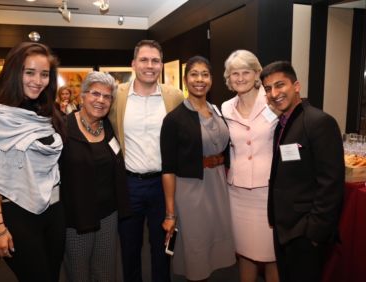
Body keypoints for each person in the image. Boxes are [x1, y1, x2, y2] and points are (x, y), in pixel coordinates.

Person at [0, 42, 66, 282]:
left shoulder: (45, 110)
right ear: (14, 72)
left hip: (54, 210)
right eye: (29, 72)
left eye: (44, 74)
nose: (38, 80)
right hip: (16, 214)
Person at [260, 61, 344, 282]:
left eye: (280, 85)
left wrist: (314, 234)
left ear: (296, 86)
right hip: (285, 228)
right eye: (268, 89)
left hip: (305, 233)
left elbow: (331, 183)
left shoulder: (319, 122)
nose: (274, 93)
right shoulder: (283, 123)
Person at [109, 39, 184, 282]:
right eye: (144, 59)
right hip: (129, 185)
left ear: (161, 65)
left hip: (164, 186)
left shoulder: (174, 96)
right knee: (129, 249)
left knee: (162, 248)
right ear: (133, 64)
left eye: (155, 60)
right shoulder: (117, 95)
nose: (149, 65)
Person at [161, 56, 236, 281]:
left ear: (211, 79)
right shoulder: (174, 119)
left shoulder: (217, 110)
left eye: (205, 74)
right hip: (192, 189)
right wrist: (170, 213)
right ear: (185, 80)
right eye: (194, 74)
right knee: (196, 249)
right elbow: (168, 169)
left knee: (215, 250)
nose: (199, 79)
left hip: (218, 187)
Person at [60, 71, 131, 281]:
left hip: (108, 214)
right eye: (95, 94)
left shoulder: (108, 127)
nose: (101, 100)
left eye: (107, 96)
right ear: (82, 96)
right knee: (78, 273)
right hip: (77, 218)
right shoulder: (63, 128)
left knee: (106, 272)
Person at [221, 50, 279, 282]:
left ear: (257, 73)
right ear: (228, 77)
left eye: (246, 72)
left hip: (268, 191)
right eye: (235, 73)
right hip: (237, 192)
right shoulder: (224, 108)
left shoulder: (273, 102)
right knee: (244, 252)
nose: (241, 78)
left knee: (272, 254)